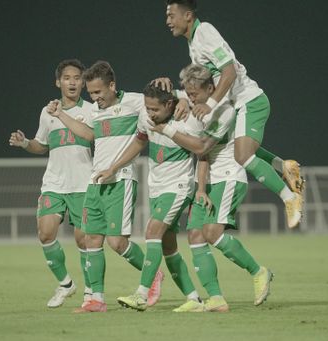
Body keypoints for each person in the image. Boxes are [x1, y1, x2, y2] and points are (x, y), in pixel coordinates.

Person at [162, 0, 304, 228]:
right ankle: (283, 166)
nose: (167, 21)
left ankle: (291, 198)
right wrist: (182, 96)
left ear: (188, 15)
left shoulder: (205, 32)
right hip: (236, 105)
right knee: (242, 147)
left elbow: (229, 72)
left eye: (171, 15)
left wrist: (209, 103)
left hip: (248, 101)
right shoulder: (194, 42)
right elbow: (202, 82)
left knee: (242, 155)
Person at [151, 64, 273, 311]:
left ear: (211, 88)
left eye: (195, 94)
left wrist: (167, 129)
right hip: (209, 181)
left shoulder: (225, 110)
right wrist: (201, 189)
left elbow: (201, 148)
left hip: (229, 176)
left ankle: (258, 271)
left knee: (212, 232)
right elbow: (202, 157)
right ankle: (216, 298)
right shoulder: (197, 107)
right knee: (195, 235)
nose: (191, 97)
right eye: (188, 93)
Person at [46, 61, 163, 313]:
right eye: (91, 94)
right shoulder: (95, 111)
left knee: (117, 243)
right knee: (91, 240)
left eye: (99, 92)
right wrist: (60, 115)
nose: (95, 98)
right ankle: (96, 299)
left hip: (120, 179)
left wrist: (178, 96)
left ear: (112, 85)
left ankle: (152, 274)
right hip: (95, 183)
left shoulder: (134, 101)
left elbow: (160, 108)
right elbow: (89, 135)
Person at [93, 82, 204, 312]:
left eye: (155, 109)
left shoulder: (186, 117)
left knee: (152, 231)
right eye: (147, 108)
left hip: (178, 186)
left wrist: (169, 129)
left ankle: (142, 294)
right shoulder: (146, 116)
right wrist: (114, 167)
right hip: (157, 187)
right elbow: (139, 141)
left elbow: (200, 147)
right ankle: (194, 299)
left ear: (169, 104)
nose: (150, 113)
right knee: (168, 246)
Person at [9, 59, 95, 308]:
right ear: (58, 82)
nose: (72, 82)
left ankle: (90, 293)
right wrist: (25, 143)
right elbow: (42, 145)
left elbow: (91, 136)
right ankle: (66, 284)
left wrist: (64, 115)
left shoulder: (90, 110)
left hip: (82, 183)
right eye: (67, 78)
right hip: (54, 183)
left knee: (84, 240)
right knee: (45, 233)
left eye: (77, 78)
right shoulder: (46, 112)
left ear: (83, 82)